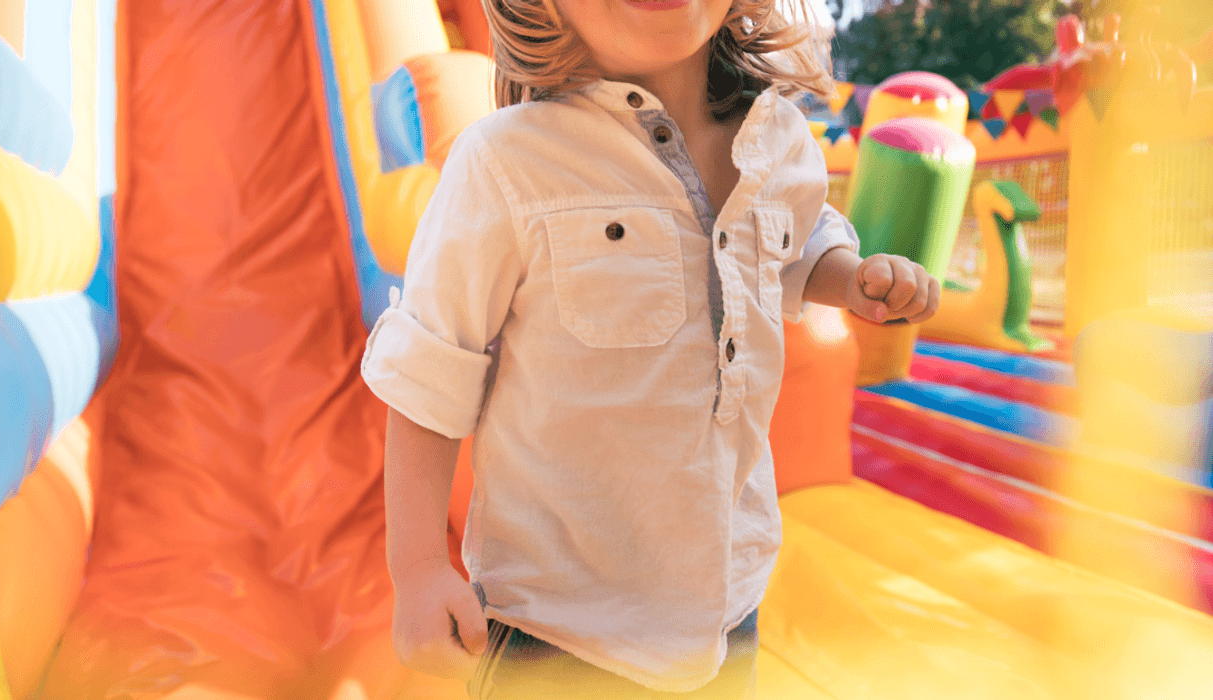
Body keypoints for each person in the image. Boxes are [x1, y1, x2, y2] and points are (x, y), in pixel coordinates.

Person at [361, 0, 940, 697]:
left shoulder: (776, 136)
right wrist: (420, 569)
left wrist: (852, 279)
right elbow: (430, 370)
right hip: (557, 630)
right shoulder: (508, 160)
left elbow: (795, 239)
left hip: (725, 608)